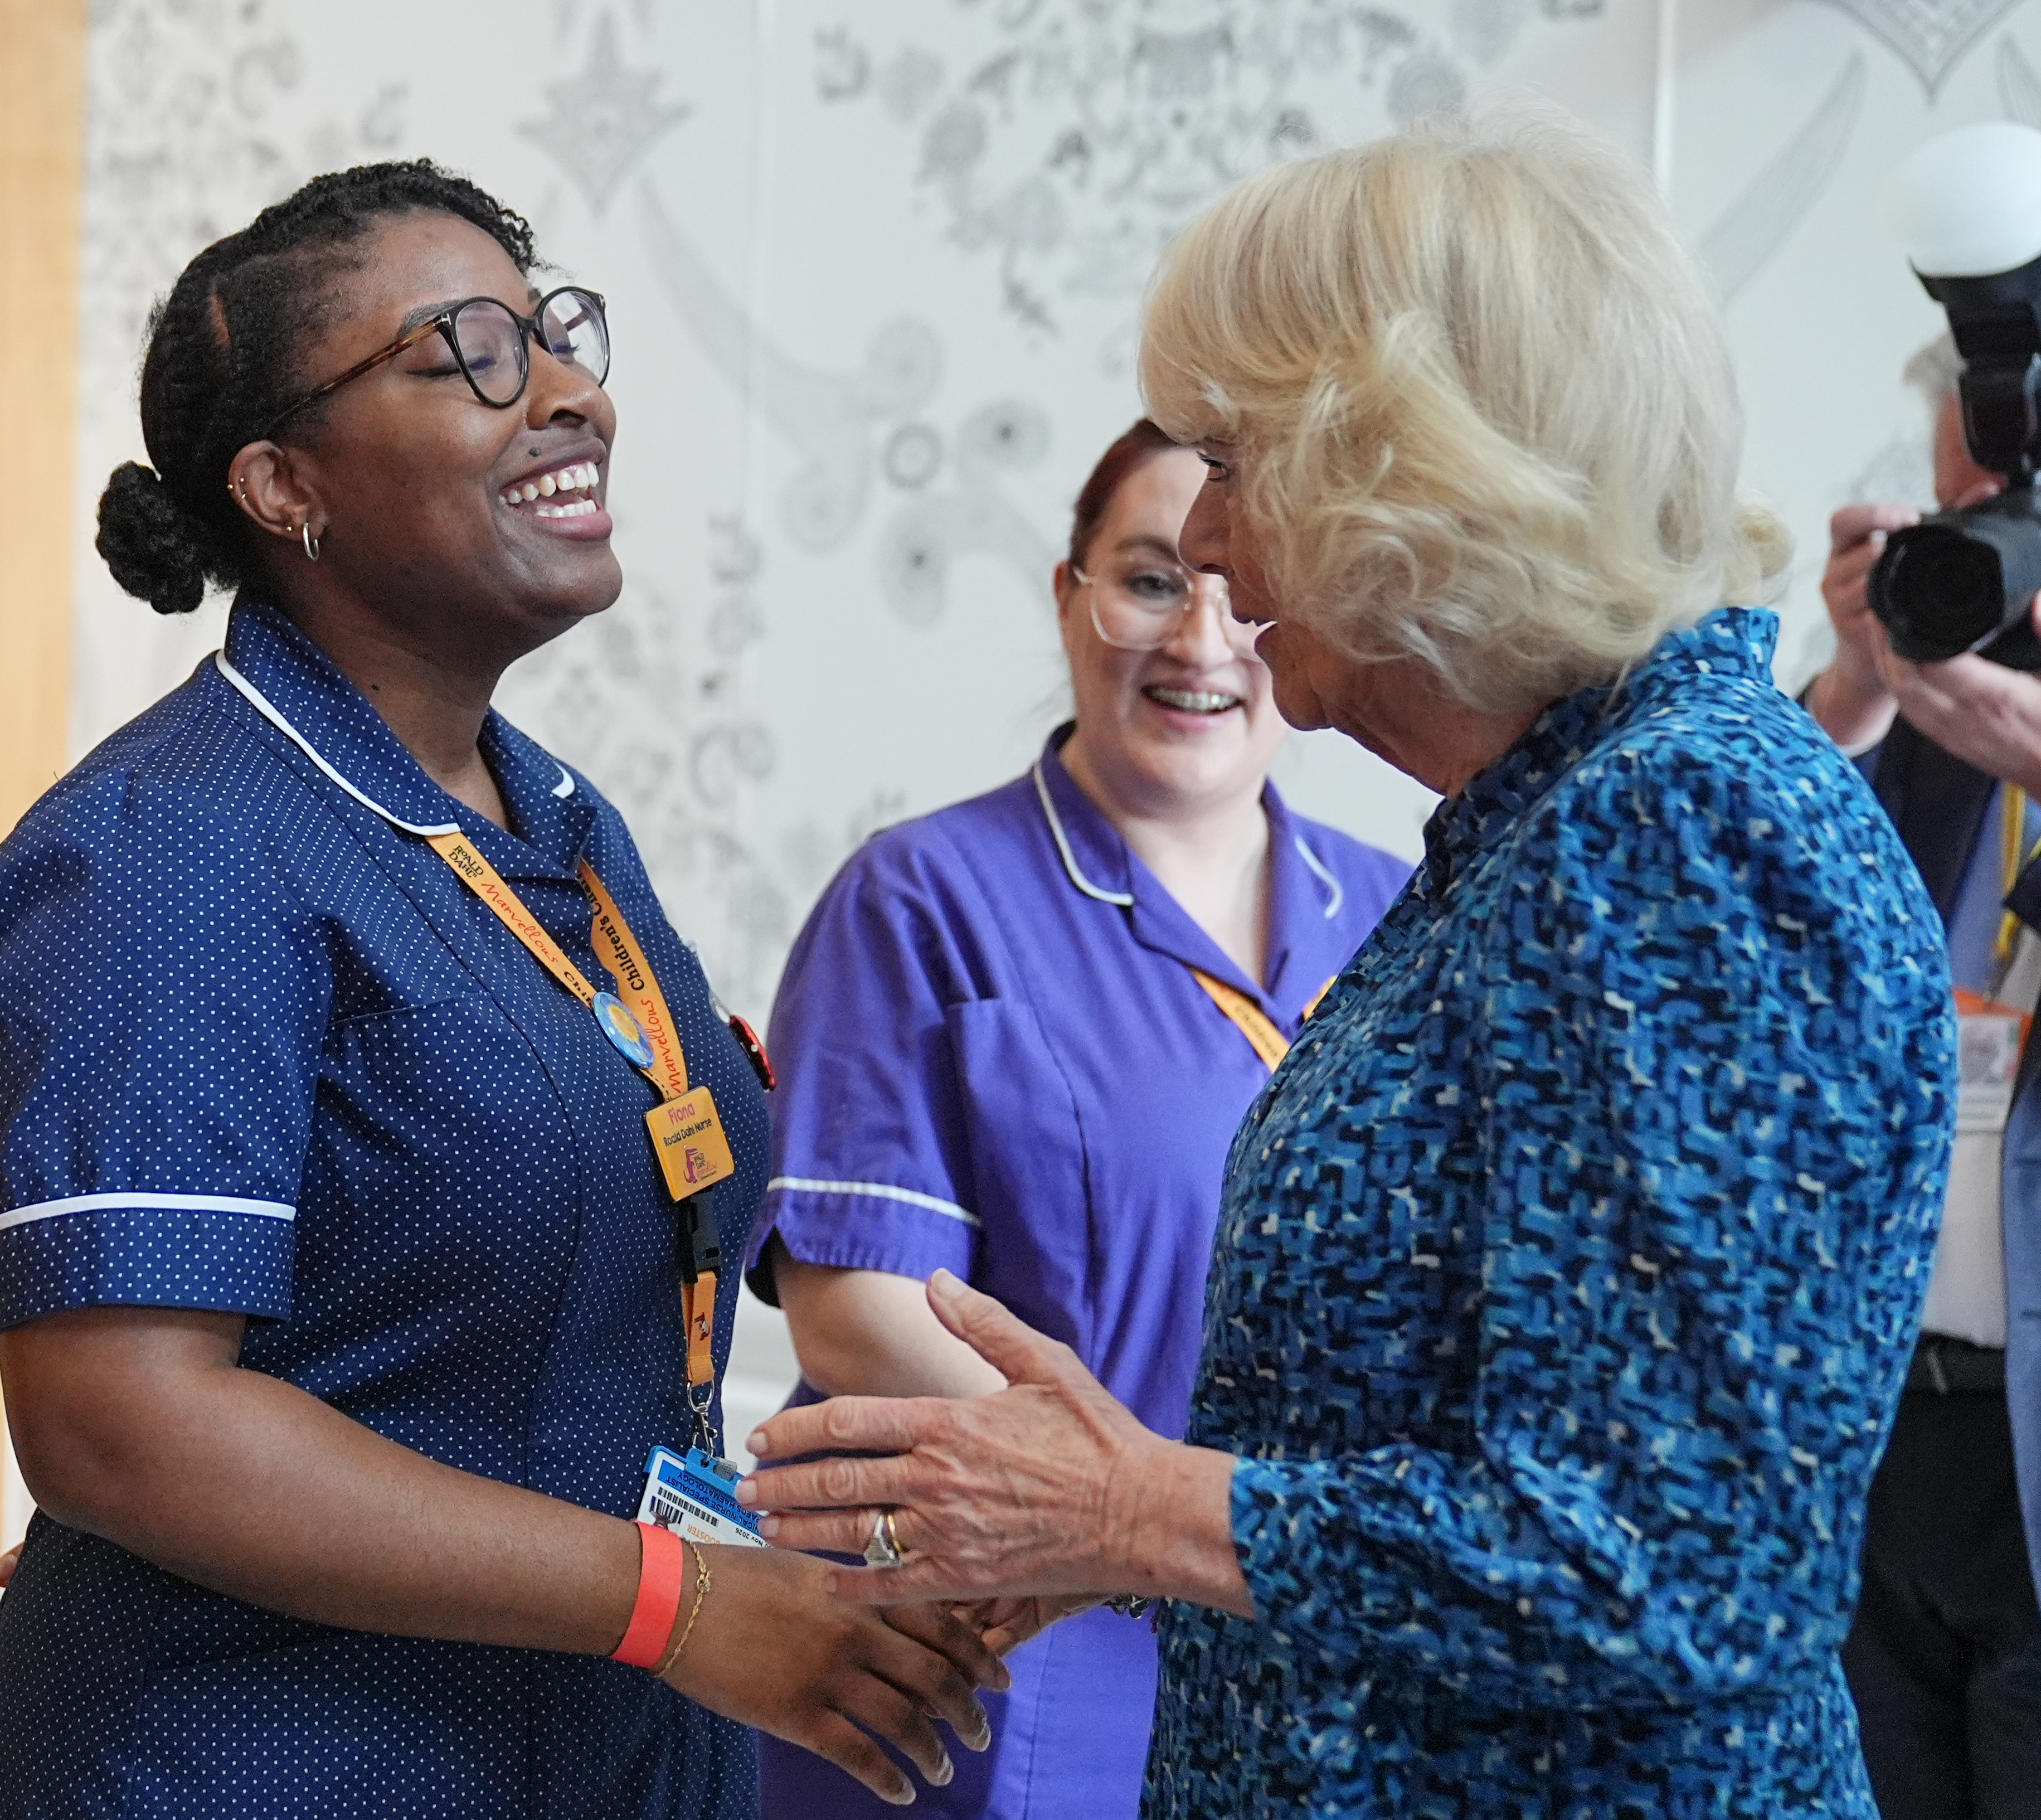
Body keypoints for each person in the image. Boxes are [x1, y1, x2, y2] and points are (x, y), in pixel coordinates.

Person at [738, 112, 1956, 1818]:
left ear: (1411, 469)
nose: (1217, 555)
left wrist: (1142, 1507)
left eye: (1235, 461)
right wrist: (1138, 1514)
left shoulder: (1678, 826)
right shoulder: (1534, 828)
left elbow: (1678, 1564)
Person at [0, 161, 999, 1820]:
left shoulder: (553, 820)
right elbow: (122, 1428)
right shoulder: (171, 850)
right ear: (286, 486)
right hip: (262, 1768)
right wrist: (681, 1601)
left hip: (573, 1745)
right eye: (467, 352)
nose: (571, 392)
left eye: (555, 331)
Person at [745, 420, 1408, 1818]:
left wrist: (1198, 1531)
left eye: (1242, 585)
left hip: (1294, 1626)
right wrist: (1118, 1512)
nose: (1203, 639)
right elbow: (854, 1304)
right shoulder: (923, 897)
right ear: (1068, 598)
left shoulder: (1413, 910)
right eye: (1151, 581)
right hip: (1003, 1647)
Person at [1805, 332, 2041, 1818]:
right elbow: (1726, 924)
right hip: (1883, 1436)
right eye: (1969, 501)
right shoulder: (1936, 702)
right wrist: (1857, 678)